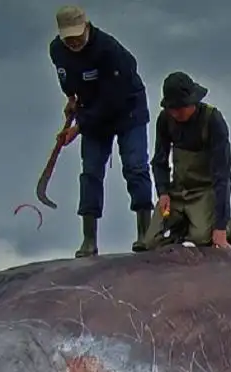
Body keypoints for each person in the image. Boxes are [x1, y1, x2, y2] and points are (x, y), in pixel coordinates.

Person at [49, 5, 155, 257]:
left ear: (87, 26)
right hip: (91, 111)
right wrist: (71, 100)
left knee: (135, 166)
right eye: (69, 38)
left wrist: (79, 128)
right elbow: (67, 79)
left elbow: (111, 100)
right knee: (91, 172)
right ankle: (89, 240)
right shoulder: (57, 50)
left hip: (127, 109)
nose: (74, 42)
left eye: (77, 35)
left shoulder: (109, 51)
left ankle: (145, 234)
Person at [138, 71, 231, 251]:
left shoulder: (213, 121)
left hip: (205, 190)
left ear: (193, 101)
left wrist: (220, 227)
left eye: (180, 107)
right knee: (150, 243)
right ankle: (182, 229)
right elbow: (159, 161)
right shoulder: (165, 120)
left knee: (204, 240)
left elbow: (223, 176)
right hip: (178, 191)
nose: (176, 113)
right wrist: (163, 191)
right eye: (171, 108)